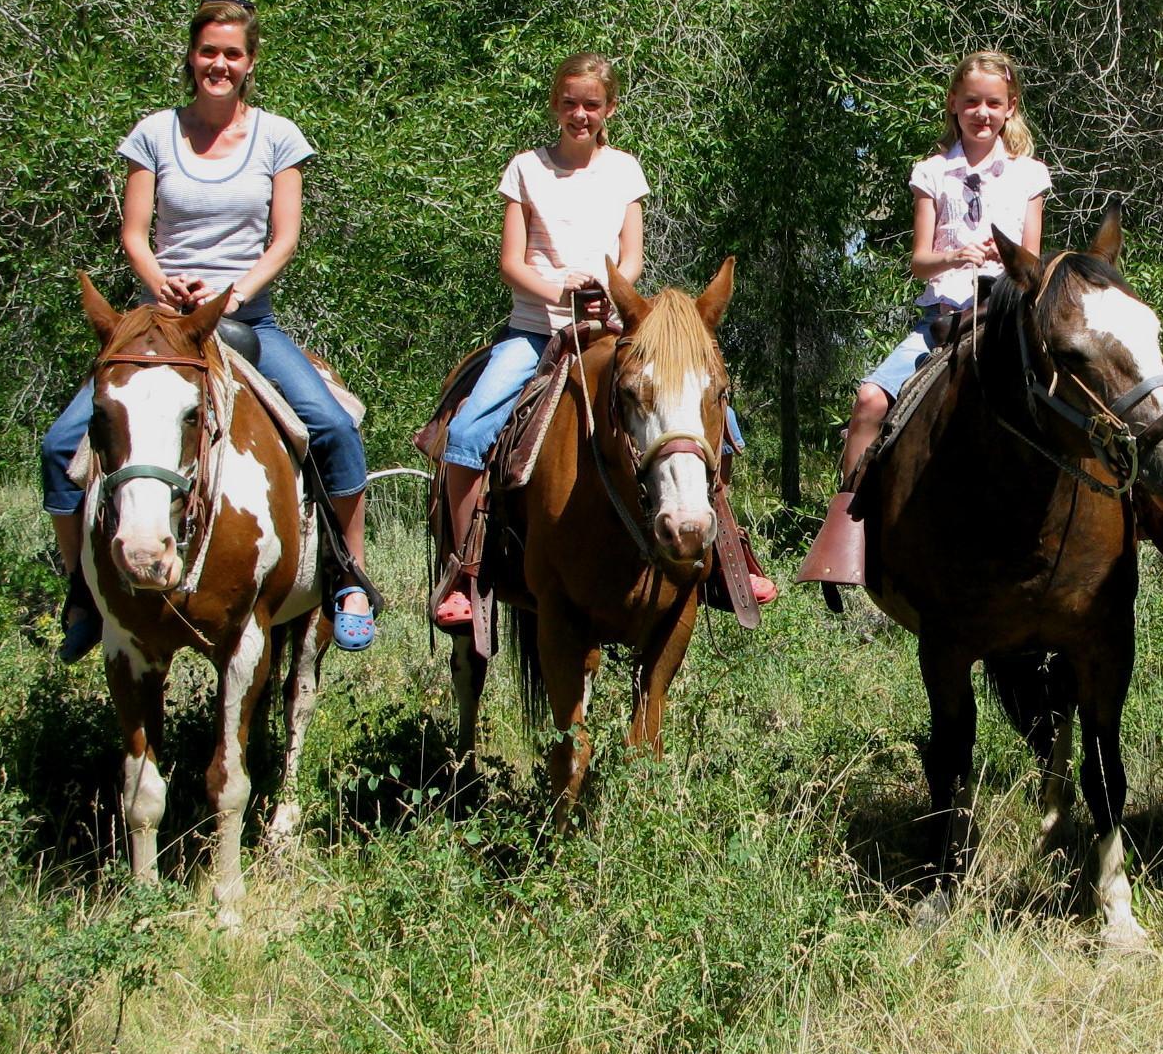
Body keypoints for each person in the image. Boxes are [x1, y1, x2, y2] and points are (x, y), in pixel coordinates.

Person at [40, 0, 376, 661]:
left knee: (332, 428)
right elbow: (135, 232)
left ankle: (349, 578)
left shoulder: (278, 136)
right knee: (59, 446)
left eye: (232, 53)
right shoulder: (155, 134)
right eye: (208, 51)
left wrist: (231, 294)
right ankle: (82, 587)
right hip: (157, 322)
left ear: (251, 63)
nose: (218, 64)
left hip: (246, 316)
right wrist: (160, 279)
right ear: (191, 57)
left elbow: (283, 239)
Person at [431, 53, 773, 630]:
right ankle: (466, 569)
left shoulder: (623, 171)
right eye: (569, 102)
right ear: (553, 104)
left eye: (591, 104)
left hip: (611, 324)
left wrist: (609, 289)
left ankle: (725, 555)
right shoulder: (525, 170)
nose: (579, 114)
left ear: (608, 109)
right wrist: (557, 288)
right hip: (534, 330)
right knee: (466, 436)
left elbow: (632, 257)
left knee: (723, 425)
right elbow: (511, 262)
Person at [797, 51, 1052, 586]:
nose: (982, 113)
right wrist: (956, 255)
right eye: (972, 102)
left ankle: (1153, 511)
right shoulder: (932, 173)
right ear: (954, 107)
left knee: (1092, 386)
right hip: (941, 320)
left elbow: (1033, 260)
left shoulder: (1029, 175)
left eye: (994, 103)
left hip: (1005, 319)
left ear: (1011, 109)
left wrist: (1002, 258)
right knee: (869, 399)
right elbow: (919, 261)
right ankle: (850, 535)